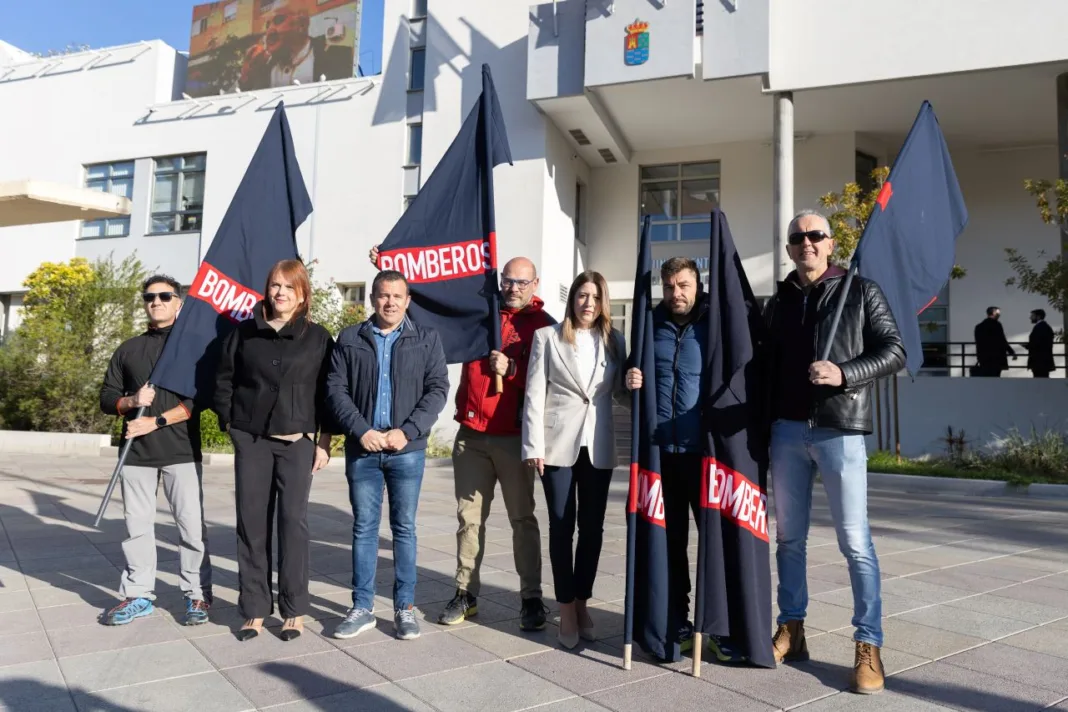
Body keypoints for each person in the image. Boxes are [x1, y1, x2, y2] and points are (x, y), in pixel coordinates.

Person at [368, 244, 555, 632]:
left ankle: (532, 598)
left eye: (521, 281)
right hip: (472, 435)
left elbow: (553, 381)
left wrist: (514, 369)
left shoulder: (544, 326)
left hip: (515, 437)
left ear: (535, 283)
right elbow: (433, 301)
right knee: (469, 520)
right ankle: (466, 593)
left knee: (522, 519)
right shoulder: (479, 310)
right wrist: (392, 266)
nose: (513, 287)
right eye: (507, 279)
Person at [762, 210, 905, 695]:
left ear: (830, 244)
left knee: (855, 542)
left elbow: (894, 350)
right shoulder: (779, 300)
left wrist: (845, 373)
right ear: (789, 249)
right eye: (798, 237)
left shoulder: (860, 290)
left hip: (839, 429)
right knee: (789, 540)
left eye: (815, 236)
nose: (807, 243)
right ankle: (792, 627)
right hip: (785, 432)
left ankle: (868, 643)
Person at [623, 256, 744, 663]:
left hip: (704, 456)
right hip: (663, 457)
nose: (677, 293)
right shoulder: (648, 324)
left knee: (715, 542)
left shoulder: (714, 323)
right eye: (670, 286)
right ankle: (675, 619)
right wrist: (630, 379)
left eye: (684, 285)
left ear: (698, 284)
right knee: (670, 543)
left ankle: (718, 628)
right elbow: (629, 376)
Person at [214, 259, 334, 642]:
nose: (280, 293)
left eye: (288, 287)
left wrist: (324, 441)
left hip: (297, 444)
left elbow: (329, 394)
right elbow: (223, 382)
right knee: (251, 524)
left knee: (293, 525)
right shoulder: (244, 333)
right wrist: (233, 426)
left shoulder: (318, 338)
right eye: (274, 286)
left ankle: (294, 609)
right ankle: (254, 609)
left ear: (302, 295)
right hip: (252, 441)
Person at [327, 269, 449, 641]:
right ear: (372, 298)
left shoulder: (426, 339)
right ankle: (362, 607)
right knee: (364, 528)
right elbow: (335, 389)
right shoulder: (350, 339)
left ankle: (404, 608)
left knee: (404, 529)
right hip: (363, 449)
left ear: (408, 300)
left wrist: (406, 431)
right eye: (383, 295)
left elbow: (438, 389)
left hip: (406, 451)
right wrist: (360, 430)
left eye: (397, 296)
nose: (390, 302)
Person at [99, 275, 212, 627]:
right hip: (135, 455)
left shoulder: (193, 347)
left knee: (191, 528)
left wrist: (156, 421)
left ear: (179, 302)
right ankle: (138, 595)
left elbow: (201, 399)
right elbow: (106, 398)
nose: (156, 301)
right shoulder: (129, 348)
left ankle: (196, 595)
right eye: (150, 297)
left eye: (165, 296)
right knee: (137, 529)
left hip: (180, 451)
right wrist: (132, 401)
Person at [522, 271, 626, 649]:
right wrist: (532, 445)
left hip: (597, 445)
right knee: (562, 526)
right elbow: (534, 393)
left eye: (595, 298)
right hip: (556, 444)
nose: (588, 304)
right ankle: (565, 608)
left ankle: (583, 602)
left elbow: (620, 395)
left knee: (593, 529)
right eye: (583, 296)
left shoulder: (616, 341)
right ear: (573, 299)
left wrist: (635, 385)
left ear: (603, 303)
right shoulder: (547, 337)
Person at [238, 4, 353, 91]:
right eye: (268, 25)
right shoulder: (264, 70)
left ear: (302, 25)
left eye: (278, 20)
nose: (269, 30)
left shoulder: (339, 57)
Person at [973, 306, 1015, 377]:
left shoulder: (979, 327)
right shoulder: (997, 325)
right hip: (996, 358)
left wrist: (979, 356)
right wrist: (1011, 352)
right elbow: (1002, 340)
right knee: (995, 377)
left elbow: (978, 343)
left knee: (986, 378)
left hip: (984, 358)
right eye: (998, 312)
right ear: (993, 313)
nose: (999, 314)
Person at [1024, 308, 1055, 378]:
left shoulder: (1040, 327)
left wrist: (1028, 346)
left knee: (1039, 378)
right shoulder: (1045, 327)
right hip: (1043, 361)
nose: (1030, 317)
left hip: (1039, 361)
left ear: (1038, 316)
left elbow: (1037, 343)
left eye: (1032, 315)